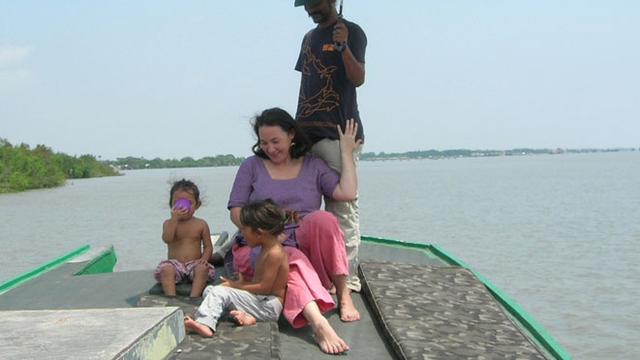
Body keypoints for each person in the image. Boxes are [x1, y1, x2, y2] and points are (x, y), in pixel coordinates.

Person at [227, 107, 359, 353]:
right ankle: (318, 324)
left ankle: (344, 293)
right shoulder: (252, 166)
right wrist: (265, 232)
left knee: (324, 220)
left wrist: (346, 152)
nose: (270, 148)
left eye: (275, 141)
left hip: (304, 244)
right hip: (261, 246)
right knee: (286, 258)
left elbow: (347, 193)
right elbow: (236, 209)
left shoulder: (313, 166)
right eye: (264, 142)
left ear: (291, 136)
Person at [294, 0, 367, 292]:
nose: (310, 8)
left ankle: (347, 277)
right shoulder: (309, 38)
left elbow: (358, 78)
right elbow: (306, 83)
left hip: (339, 135)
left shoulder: (352, 31)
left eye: (314, 2)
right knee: (305, 209)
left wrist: (343, 47)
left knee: (342, 208)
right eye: (305, 4)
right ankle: (316, 271)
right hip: (306, 136)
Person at [184, 200, 289, 337]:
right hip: (259, 301)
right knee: (209, 291)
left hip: (268, 306)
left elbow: (265, 288)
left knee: (220, 292)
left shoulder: (274, 253)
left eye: (244, 230)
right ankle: (248, 317)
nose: (242, 234)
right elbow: (258, 285)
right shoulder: (265, 249)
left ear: (259, 233)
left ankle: (205, 324)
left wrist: (235, 285)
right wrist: (241, 282)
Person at [155, 179, 214, 298]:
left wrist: (204, 259)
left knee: (202, 269)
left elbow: (208, 246)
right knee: (166, 269)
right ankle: (171, 297)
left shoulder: (201, 224)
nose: (183, 207)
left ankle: (194, 297)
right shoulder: (169, 223)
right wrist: (174, 219)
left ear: (197, 205)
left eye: (188, 203)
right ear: (171, 205)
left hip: (194, 263)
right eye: (178, 203)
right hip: (175, 265)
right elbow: (167, 239)